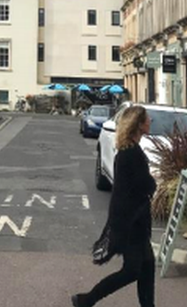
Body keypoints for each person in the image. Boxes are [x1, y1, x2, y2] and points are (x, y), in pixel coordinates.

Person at [72, 105, 156, 307]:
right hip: (131, 222)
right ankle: (87, 299)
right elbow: (143, 185)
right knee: (132, 271)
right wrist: (151, 184)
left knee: (147, 267)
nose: (150, 121)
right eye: (147, 119)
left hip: (135, 220)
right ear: (138, 124)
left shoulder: (129, 151)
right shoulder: (131, 154)